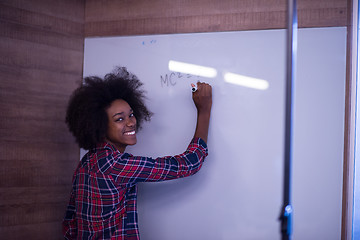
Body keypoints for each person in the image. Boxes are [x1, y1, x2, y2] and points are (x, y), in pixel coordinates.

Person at [62, 66, 212, 239]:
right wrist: (204, 111)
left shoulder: (87, 162)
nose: (131, 122)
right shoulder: (117, 165)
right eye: (119, 119)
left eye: (131, 115)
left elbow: (70, 225)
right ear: (99, 124)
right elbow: (189, 164)